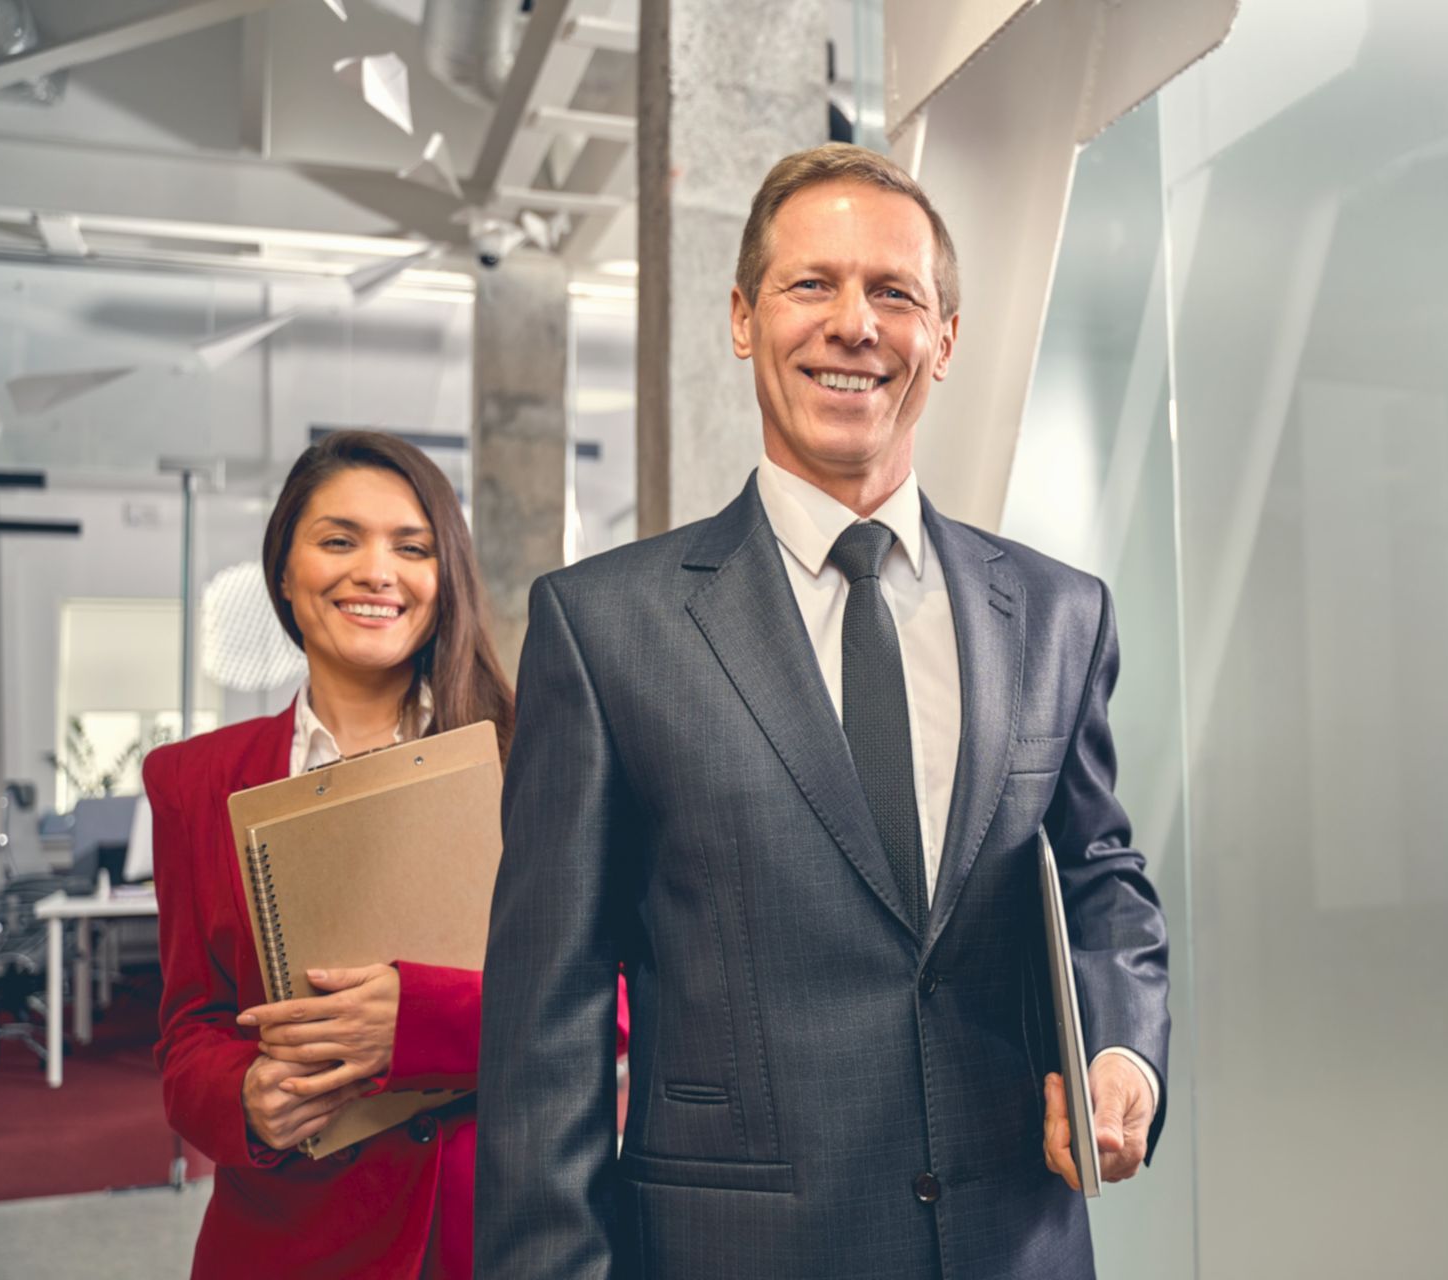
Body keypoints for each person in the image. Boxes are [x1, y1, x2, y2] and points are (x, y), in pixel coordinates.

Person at [477, 143, 1171, 1279]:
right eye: (812, 284)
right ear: (743, 317)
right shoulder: (606, 630)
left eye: (894, 293)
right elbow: (545, 1024)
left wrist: (1123, 1050)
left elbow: (1099, 874)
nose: (855, 325)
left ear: (944, 339)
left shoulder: (1057, 614)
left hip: (1015, 1243)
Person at [147, 431, 625, 1279]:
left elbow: (615, 999)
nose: (376, 572)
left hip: (486, 1230)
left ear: (446, 582)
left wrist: (416, 1023)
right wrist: (244, 1099)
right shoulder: (196, 782)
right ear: (283, 572)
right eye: (339, 541)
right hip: (289, 1237)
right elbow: (191, 1032)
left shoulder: (533, 753)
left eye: (412, 548)